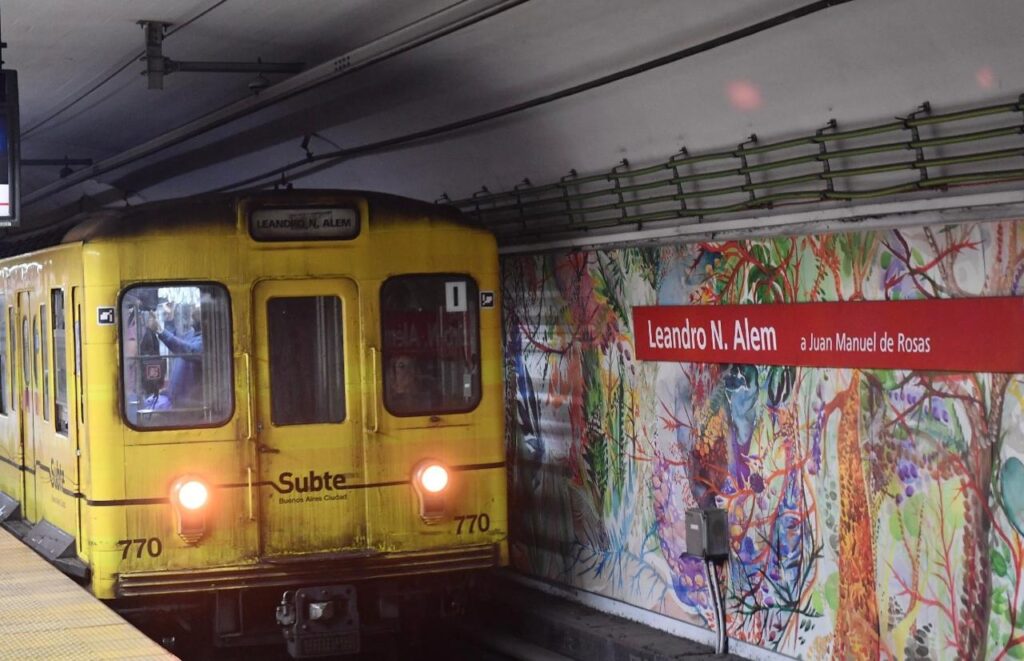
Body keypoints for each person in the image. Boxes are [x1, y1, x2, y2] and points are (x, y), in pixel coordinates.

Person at [149, 301, 203, 408]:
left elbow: (186, 349)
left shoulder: (206, 341)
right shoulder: (191, 334)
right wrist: (170, 319)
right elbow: (176, 341)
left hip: (191, 404)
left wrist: (160, 330)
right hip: (175, 399)